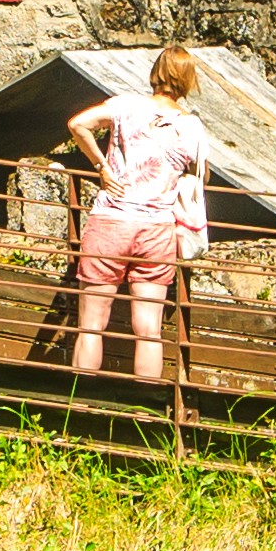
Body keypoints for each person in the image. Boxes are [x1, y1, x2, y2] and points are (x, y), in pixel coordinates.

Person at [62, 44, 212, 381]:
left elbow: (78, 124)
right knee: (149, 330)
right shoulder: (192, 127)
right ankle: (145, 414)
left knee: (91, 326)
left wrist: (101, 166)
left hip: (111, 222)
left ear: (156, 73)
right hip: (157, 230)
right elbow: (202, 175)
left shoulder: (126, 105)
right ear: (188, 81)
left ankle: (80, 408)